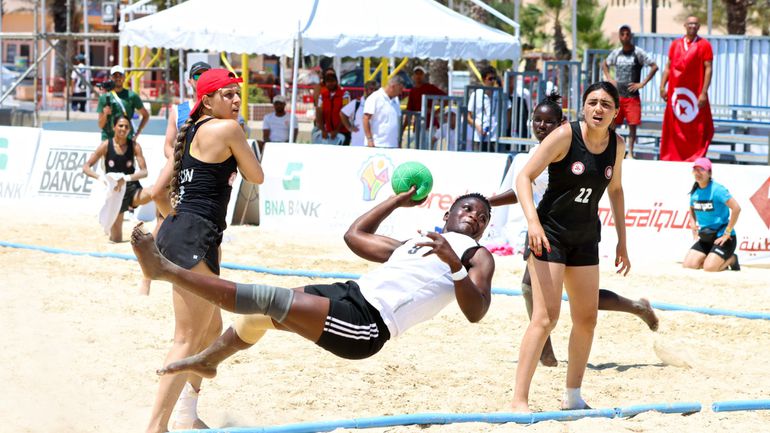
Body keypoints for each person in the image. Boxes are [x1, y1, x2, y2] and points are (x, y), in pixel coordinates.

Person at [129, 191, 495, 397]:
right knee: (257, 317)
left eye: (482, 217)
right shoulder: (417, 241)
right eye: (468, 208)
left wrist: (455, 265)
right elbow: (355, 236)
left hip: (369, 325)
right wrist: (395, 201)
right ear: (448, 212)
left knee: (269, 299)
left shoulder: (476, 256)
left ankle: (166, 271)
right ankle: (209, 361)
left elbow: (476, 311)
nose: (475, 217)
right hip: (350, 293)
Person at [489, 91, 657, 368]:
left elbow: (613, 189)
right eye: (537, 120)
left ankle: (635, 308)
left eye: (548, 122)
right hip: (545, 229)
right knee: (543, 295)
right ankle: (547, 351)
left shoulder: (568, 145)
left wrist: (621, 241)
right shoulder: (535, 153)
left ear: (561, 123)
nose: (542, 126)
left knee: (573, 301)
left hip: (568, 229)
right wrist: (492, 203)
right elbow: (522, 188)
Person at [144, 68, 264, 433]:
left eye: (236, 94)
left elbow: (160, 193)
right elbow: (256, 176)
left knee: (211, 331)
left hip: (192, 234)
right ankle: (155, 427)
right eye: (227, 94)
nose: (235, 99)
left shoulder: (190, 131)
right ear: (207, 100)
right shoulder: (228, 129)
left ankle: (186, 414)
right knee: (186, 338)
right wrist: (184, 227)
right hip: (195, 236)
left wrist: (176, 224)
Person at [511, 82, 630, 412]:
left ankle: (573, 395)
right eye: (592, 102)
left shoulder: (617, 145)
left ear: (615, 112)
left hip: (586, 237)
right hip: (550, 234)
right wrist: (533, 224)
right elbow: (523, 177)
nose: (598, 109)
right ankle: (519, 399)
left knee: (587, 319)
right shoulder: (566, 135)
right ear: (583, 107)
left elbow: (616, 190)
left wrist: (622, 240)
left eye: (606, 104)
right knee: (545, 318)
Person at [82, 115, 153, 242]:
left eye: (126, 126)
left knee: (155, 192)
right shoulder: (106, 145)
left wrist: (125, 178)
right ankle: (113, 229)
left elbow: (144, 171)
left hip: (132, 189)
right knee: (116, 239)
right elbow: (86, 167)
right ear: (114, 127)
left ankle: (162, 228)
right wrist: (101, 178)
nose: (123, 128)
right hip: (115, 192)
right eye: (120, 125)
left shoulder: (135, 146)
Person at [659, 16, 714, 162]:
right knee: (674, 126)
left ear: (699, 26)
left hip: (695, 94)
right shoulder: (675, 44)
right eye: (690, 23)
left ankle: (695, 156)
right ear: (685, 25)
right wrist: (662, 86)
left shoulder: (704, 45)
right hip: (676, 94)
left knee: (697, 127)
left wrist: (703, 92)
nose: (692, 26)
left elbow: (708, 69)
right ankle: (672, 156)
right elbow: (668, 67)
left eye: (695, 23)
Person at [602, 24, 658, 158]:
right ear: (620, 36)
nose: (625, 37)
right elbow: (604, 64)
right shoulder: (616, 53)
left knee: (632, 126)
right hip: (618, 96)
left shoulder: (638, 52)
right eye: (622, 34)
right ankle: (611, 151)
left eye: (627, 34)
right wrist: (610, 78)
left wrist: (642, 83)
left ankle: (631, 152)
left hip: (632, 96)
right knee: (612, 123)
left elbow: (654, 66)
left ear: (631, 36)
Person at [683, 157, 741, 272]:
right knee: (689, 265)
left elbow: (736, 208)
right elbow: (691, 208)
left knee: (709, 268)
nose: (697, 173)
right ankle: (711, 256)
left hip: (723, 239)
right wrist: (693, 225)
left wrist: (727, 232)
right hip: (706, 238)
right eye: (695, 170)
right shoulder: (695, 191)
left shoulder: (717, 190)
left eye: (701, 170)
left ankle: (732, 259)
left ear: (710, 173)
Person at [97, 65, 150, 142]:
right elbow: (100, 125)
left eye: (120, 76)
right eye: (115, 76)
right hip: (108, 139)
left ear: (124, 78)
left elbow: (146, 115)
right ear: (111, 78)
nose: (118, 78)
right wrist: (105, 114)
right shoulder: (104, 98)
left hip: (126, 139)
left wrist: (137, 133)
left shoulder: (132, 96)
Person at [467, 66, 503, 152]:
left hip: (496, 137)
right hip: (479, 137)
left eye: (494, 78)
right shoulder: (476, 94)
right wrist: (477, 126)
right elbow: (468, 116)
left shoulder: (499, 94)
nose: (493, 81)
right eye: (490, 79)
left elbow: (508, 111)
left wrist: (503, 128)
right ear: (484, 80)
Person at [363, 76, 405, 148]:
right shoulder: (375, 97)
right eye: (400, 89)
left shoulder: (396, 100)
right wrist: (369, 139)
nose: (401, 92)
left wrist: (398, 142)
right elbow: (365, 119)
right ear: (393, 86)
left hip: (393, 145)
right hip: (377, 145)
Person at [315, 68, 351, 145]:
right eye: (328, 81)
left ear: (336, 82)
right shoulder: (322, 96)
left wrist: (337, 130)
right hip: (328, 133)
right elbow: (319, 112)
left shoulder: (345, 94)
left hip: (343, 132)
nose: (330, 83)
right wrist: (322, 130)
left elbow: (346, 114)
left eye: (332, 81)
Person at [340, 80, 379, 146]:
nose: (374, 91)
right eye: (371, 89)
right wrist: (349, 127)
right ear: (366, 90)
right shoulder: (357, 102)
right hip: (358, 142)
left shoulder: (379, 103)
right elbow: (342, 113)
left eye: (376, 89)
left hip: (375, 142)